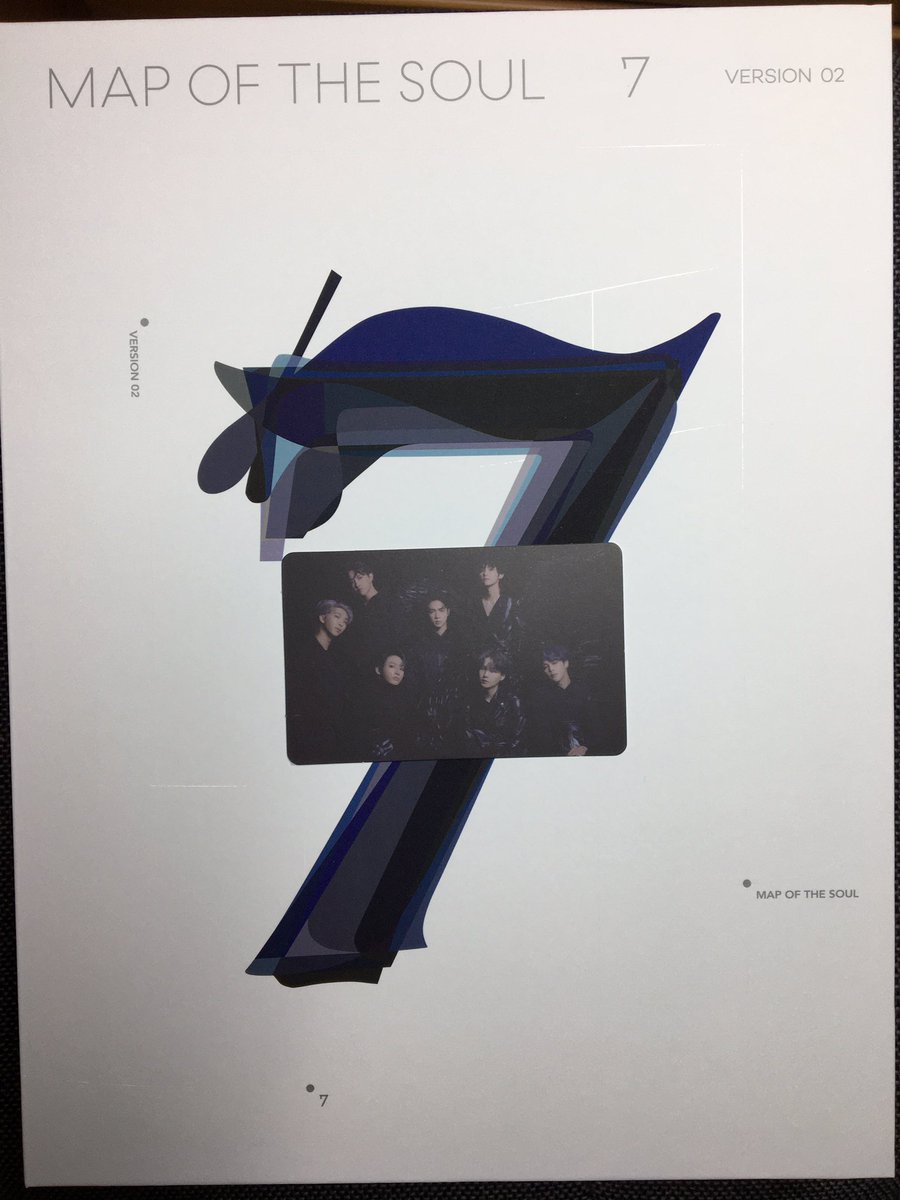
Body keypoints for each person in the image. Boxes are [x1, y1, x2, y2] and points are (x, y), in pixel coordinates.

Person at [285, 599, 353, 764]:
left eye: (345, 621)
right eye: (337, 616)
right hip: (308, 731)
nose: (341, 624)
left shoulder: (335, 657)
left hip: (330, 732)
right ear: (322, 618)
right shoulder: (303, 652)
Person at [412, 591, 466, 756]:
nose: (437, 616)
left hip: (455, 703)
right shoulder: (420, 643)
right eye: (432, 611)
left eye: (441, 610)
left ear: (448, 612)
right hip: (426, 704)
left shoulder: (460, 641)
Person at [464, 648, 526, 757]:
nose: (485, 674)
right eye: (483, 668)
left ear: (502, 676)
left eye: (492, 670)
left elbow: (516, 741)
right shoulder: (470, 702)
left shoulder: (513, 703)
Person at [355, 651, 415, 761]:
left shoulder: (405, 699)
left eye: (401, 668)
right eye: (392, 666)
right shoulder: (367, 698)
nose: (398, 672)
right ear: (378, 670)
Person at [468, 554, 523, 662]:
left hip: (504, 662)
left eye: (491, 569)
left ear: (500, 574)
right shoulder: (474, 604)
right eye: (482, 569)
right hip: (479, 662)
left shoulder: (511, 603)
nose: (485, 573)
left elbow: (519, 638)